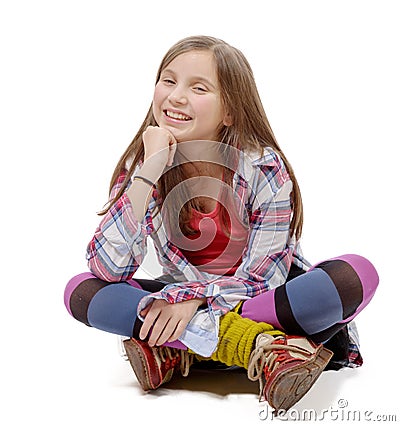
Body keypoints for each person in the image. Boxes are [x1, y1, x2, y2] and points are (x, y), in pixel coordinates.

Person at [64, 35, 379, 412]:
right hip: (181, 300)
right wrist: (148, 172)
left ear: (229, 111)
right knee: (81, 292)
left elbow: (265, 278)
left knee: (354, 275)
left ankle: (182, 350)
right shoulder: (144, 169)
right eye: (168, 80)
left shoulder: (264, 168)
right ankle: (260, 347)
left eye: (198, 88)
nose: (176, 96)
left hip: (259, 297)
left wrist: (192, 299)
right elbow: (106, 268)